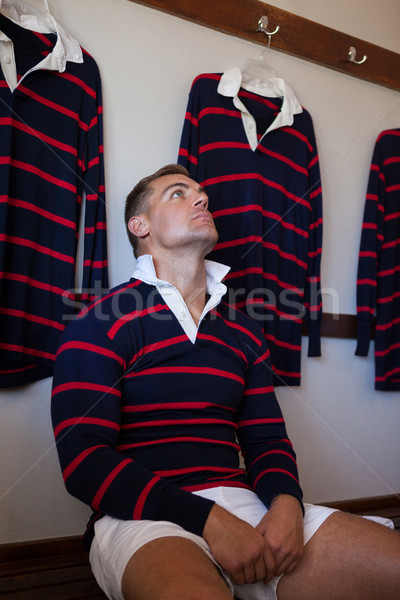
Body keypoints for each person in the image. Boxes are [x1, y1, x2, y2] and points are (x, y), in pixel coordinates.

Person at [51, 164, 400, 600]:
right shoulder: (98, 321)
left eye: (202, 193)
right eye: (178, 194)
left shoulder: (243, 331)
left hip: (245, 505)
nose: (201, 199)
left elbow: (266, 442)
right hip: (142, 518)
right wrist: (209, 521)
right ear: (138, 226)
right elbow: (83, 460)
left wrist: (287, 505)